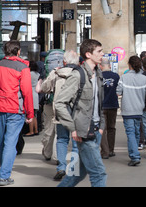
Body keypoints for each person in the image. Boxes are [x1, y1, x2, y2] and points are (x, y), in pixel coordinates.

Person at [54, 39, 107, 187]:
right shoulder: (78, 75)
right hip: (84, 132)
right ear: (88, 54)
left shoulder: (98, 73)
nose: (102, 54)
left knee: (78, 173)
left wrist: (101, 126)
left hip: (96, 130)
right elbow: (60, 103)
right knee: (99, 173)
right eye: (99, 51)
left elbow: (99, 103)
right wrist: (72, 128)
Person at [38, 50, 80, 181]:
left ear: (64, 62)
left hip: (61, 112)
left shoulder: (56, 73)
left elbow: (44, 88)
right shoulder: (80, 73)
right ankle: (73, 170)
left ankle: (61, 167)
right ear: (77, 62)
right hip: (76, 113)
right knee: (75, 142)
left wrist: (51, 75)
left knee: (62, 139)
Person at [0, 40, 34, 186]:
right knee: (10, 143)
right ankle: (4, 176)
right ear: (18, 51)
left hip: (0, 108)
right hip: (15, 110)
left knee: (1, 141)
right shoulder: (22, 67)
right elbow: (26, 92)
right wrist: (30, 114)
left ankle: (3, 172)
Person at [117, 55, 146, 167]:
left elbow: (119, 92)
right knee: (136, 132)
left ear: (129, 65)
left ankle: (135, 156)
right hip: (139, 109)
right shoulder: (144, 78)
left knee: (130, 132)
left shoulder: (124, 77)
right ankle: (135, 153)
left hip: (127, 109)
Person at [100, 58, 120, 159]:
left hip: (102, 105)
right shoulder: (116, 76)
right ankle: (111, 150)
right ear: (110, 66)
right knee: (111, 128)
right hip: (113, 105)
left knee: (102, 129)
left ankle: (105, 151)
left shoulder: (99, 76)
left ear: (101, 66)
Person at [25, 61, 41, 136]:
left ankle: (31, 131)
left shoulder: (29, 74)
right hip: (36, 94)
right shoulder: (38, 74)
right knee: (34, 115)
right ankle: (36, 130)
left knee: (30, 114)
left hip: (30, 94)